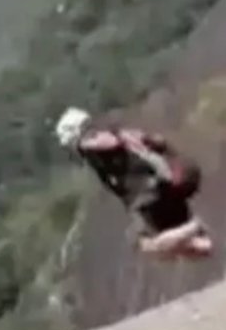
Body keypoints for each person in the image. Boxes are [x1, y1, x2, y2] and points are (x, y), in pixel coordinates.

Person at [54, 107, 214, 260]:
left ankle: (195, 226)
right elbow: (158, 143)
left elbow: (111, 143)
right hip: (159, 187)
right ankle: (200, 239)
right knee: (176, 247)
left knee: (144, 244)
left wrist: (84, 143)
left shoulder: (93, 142)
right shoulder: (121, 133)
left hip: (148, 196)